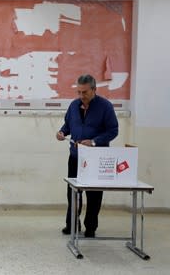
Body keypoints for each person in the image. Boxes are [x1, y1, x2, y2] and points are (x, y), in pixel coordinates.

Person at [56, 74, 118, 238]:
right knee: (73, 192)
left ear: (94, 90)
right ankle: (72, 224)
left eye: (85, 92)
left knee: (94, 194)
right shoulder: (74, 105)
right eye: (79, 92)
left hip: (96, 159)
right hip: (76, 156)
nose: (81, 96)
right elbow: (68, 124)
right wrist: (62, 132)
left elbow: (113, 131)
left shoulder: (105, 106)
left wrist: (94, 142)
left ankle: (90, 227)